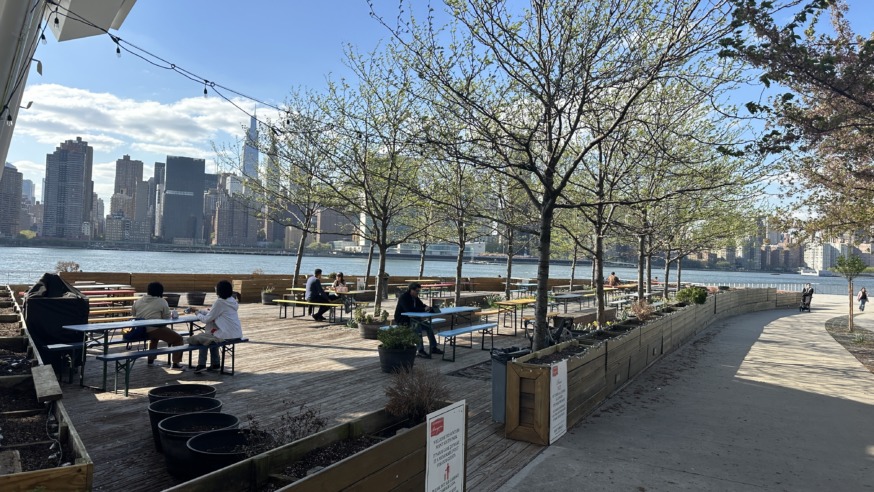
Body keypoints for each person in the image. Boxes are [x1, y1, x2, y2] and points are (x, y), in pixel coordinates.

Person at [190, 280, 243, 374]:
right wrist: (203, 311)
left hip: (227, 334)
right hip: (237, 333)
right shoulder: (232, 301)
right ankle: (216, 364)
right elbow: (215, 314)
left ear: (219, 291)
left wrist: (197, 313)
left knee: (203, 338)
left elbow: (206, 320)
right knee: (211, 335)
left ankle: (201, 365)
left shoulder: (219, 302)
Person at [131, 281, 185, 370]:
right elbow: (166, 318)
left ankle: (150, 361)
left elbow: (133, 313)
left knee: (154, 338)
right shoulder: (161, 301)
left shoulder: (138, 300)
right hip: (154, 328)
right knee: (178, 339)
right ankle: (176, 363)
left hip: (140, 329)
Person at [394, 282, 443, 358]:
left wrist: (428, 307)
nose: (418, 293)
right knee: (417, 328)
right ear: (411, 290)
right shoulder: (403, 297)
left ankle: (433, 347)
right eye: (417, 291)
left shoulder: (415, 297)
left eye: (419, 291)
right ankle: (420, 350)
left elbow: (421, 305)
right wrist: (423, 309)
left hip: (414, 319)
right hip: (403, 321)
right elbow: (408, 309)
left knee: (428, 326)